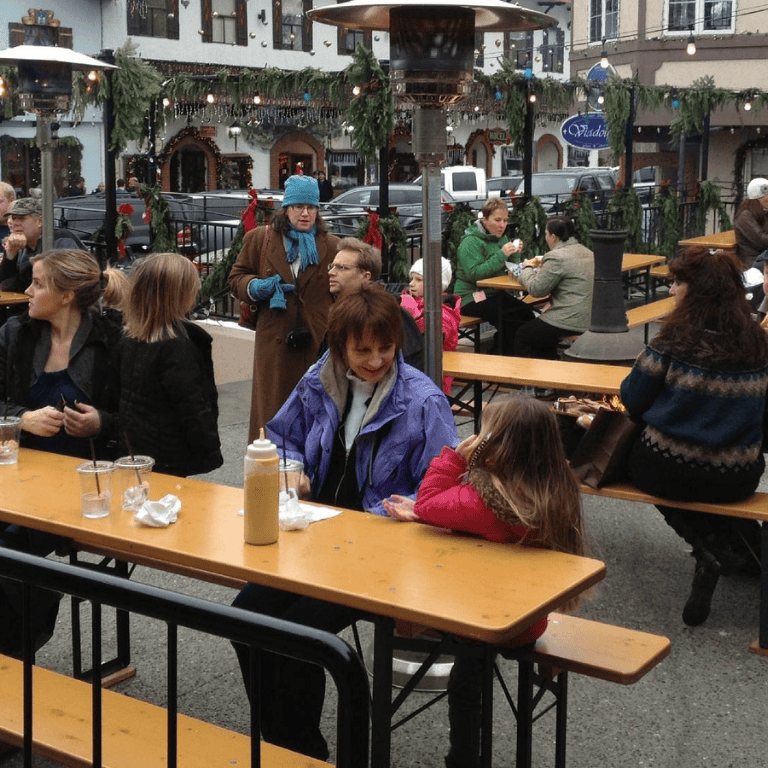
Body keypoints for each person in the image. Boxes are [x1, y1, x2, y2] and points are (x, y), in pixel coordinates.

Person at [232, 288, 459, 761]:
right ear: (339, 347)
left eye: (386, 348)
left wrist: (415, 505)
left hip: (379, 550)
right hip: (314, 535)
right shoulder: (318, 378)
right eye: (363, 350)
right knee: (243, 618)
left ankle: (301, 749)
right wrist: (290, 464)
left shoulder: (423, 400)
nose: (376, 360)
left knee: (298, 639)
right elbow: (281, 435)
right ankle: (280, 742)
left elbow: (445, 480)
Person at [383, 395, 586, 768]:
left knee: (464, 681)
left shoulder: (487, 500)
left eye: (485, 433)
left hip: (485, 618)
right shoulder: (554, 489)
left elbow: (428, 502)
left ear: (498, 447)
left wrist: (455, 457)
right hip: (531, 619)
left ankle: (463, 759)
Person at [621, 246, 768, 627]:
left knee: (629, 457)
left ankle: (710, 548)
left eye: (677, 282)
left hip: (667, 469)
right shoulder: (759, 343)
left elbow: (631, 398)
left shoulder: (673, 340)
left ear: (698, 290)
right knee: (704, 468)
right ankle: (738, 549)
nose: (671, 291)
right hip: (736, 476)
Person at [0, 250, 122, 654]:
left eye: (37, 283)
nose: (27, 291)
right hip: (19, 477)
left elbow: (136, 419)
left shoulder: (111, 341)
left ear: (67, 295)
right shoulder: (15, 334)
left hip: (83, 488)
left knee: (9, 556)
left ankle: (17, 657)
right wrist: (21, 418)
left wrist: (99, 422)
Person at [229, 174, 339, 442]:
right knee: (272, 417)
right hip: (275, 343)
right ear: (286, 208)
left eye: (311, 207)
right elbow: (236, 278)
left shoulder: (332, 245)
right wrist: (255, 287)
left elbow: (342, 289)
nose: (305, 214)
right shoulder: (260, 240)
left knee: (313, 417)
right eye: (298, 207)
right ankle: (269, 469)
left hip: (316, 340)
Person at [117, 253, 221, 476]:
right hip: (170, 457)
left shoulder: (130, 339)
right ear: (180, 296)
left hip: (135, 450)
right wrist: (209, 449)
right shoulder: (177, 348)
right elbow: (192, 407)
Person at [327, 237, 424, 371]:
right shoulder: (340, 311)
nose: (331, 273)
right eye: (332, 266)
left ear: (365, 276)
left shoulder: (388, 314)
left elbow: (409, 367)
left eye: (341, 268)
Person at [454, 198, 534, 354]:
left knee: (526, 314)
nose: (502, 225)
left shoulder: (501, 238)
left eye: (505, 220)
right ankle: (498, 359)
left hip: (494, 293)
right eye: (497, 220)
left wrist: (514, 254)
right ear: (484, 220)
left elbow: (508, 269)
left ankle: (510, 356)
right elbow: (475, 275)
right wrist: (502, 254)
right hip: (471, 297)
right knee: (510, 322)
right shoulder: (470, 242)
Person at [514, 216, 594, 360]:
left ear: (553, 236)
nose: (545, 238)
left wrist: (526, 268)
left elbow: (536, 289)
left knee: (523, 334)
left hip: (570, 319)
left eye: (545, 234)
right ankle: (549, 366)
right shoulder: (587, 251)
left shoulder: (556, 257)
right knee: (542, 330)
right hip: (589, 316)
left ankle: (524, 379)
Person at [401, 256, 461, 394]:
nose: (411, 284)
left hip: (434, 375)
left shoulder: (444, 310)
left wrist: (414, 316)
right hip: (413, 370)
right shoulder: (411, 301)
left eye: (418, 280)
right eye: (412, 279)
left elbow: (433, 340)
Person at [0, 197, 83, 296]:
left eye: (22, 218)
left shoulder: (61, 241)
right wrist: (10, 255)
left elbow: (68, 285)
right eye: (13, 218)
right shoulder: (22, 245)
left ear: (40, 221)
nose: (16, 223)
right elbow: (7, 285)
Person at [734, 177, 768, 270]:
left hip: (763, 257)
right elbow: (761, 241)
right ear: (759, 197)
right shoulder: (745, 216)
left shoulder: (763, 213)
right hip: (753, 262)